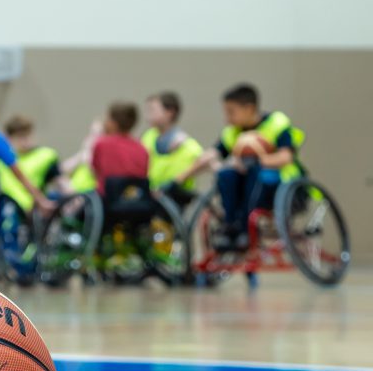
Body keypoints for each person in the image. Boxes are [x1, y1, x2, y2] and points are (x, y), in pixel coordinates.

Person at [175, 83, 302, 251]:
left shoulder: (276, 123)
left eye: (231, 112)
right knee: (226, 173)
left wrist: (256, 160)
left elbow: (286, 157)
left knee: (255, 172)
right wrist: (183, 176)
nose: (226, 118)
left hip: (279, 186)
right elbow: (210, 155)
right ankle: (231, 225)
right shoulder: (232, 132)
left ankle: (245, 229)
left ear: (249, 108)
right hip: (245, 186)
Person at [141, 91, 203, 206]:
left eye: (152, 110)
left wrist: (175, 182)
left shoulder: (187, 143)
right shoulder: (149, 136)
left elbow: (204, 160)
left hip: (175, 194)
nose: (147, 116)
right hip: (150, 191)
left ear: (170, 112)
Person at [0, 115, 64, 211]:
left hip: (34, 211)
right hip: (5, 208)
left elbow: (61, 182)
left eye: (28, 135)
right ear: (9, 138)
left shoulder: (45, 156)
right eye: (20, 137)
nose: (25, 141)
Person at [89, 101, 150, 194]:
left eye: (107, 118)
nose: (104, 122)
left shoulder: (101, 144)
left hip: (106, 200)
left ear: (114, 123)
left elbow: (95, 172)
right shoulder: (142, 149)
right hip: (136, 201)